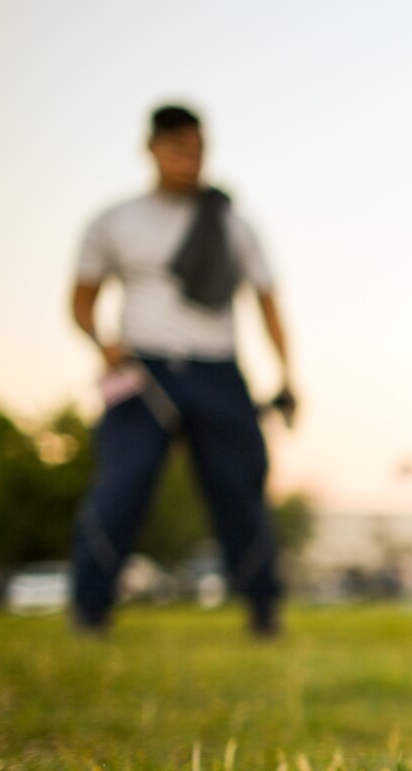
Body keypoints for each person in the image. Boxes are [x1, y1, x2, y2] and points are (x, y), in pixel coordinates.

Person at [69, 104, 295, 637]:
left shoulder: (232, 223)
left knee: (239, 488)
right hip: (142, 367)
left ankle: (263, 607)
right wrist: (101, 343)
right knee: (123, 482)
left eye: (196, 148)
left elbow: (267, 302)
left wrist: (286, 373)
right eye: (176, 146)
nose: (187, 158)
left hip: (216, 366)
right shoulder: (115, 220)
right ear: (151, 148)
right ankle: (91, 608)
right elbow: (80, 301)